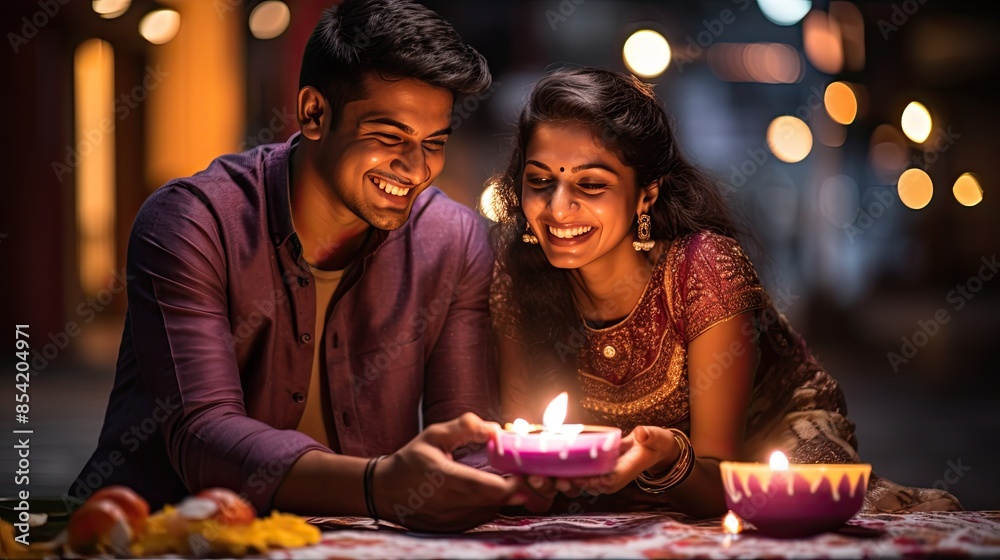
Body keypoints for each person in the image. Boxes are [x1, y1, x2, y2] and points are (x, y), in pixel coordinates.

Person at [71, 0, 530, 533]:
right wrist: (377, 485)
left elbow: (462, 436)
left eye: (434, 144)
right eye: (389, 137)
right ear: (314, 112)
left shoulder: (453, 240)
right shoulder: (192, 223)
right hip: (160, 535)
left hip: (354, 540)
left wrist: (506, 478)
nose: (416, 168)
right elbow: (202, 434)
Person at [488, 67, 962, 516]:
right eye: (540, 181)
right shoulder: (520, 275)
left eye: (590, 185)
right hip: (622, 483)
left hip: (769, 449)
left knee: (794, 511)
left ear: (646, 195)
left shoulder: (704, 269)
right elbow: (525, 444)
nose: (558, 208)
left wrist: (669, 456)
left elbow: (722, 479)